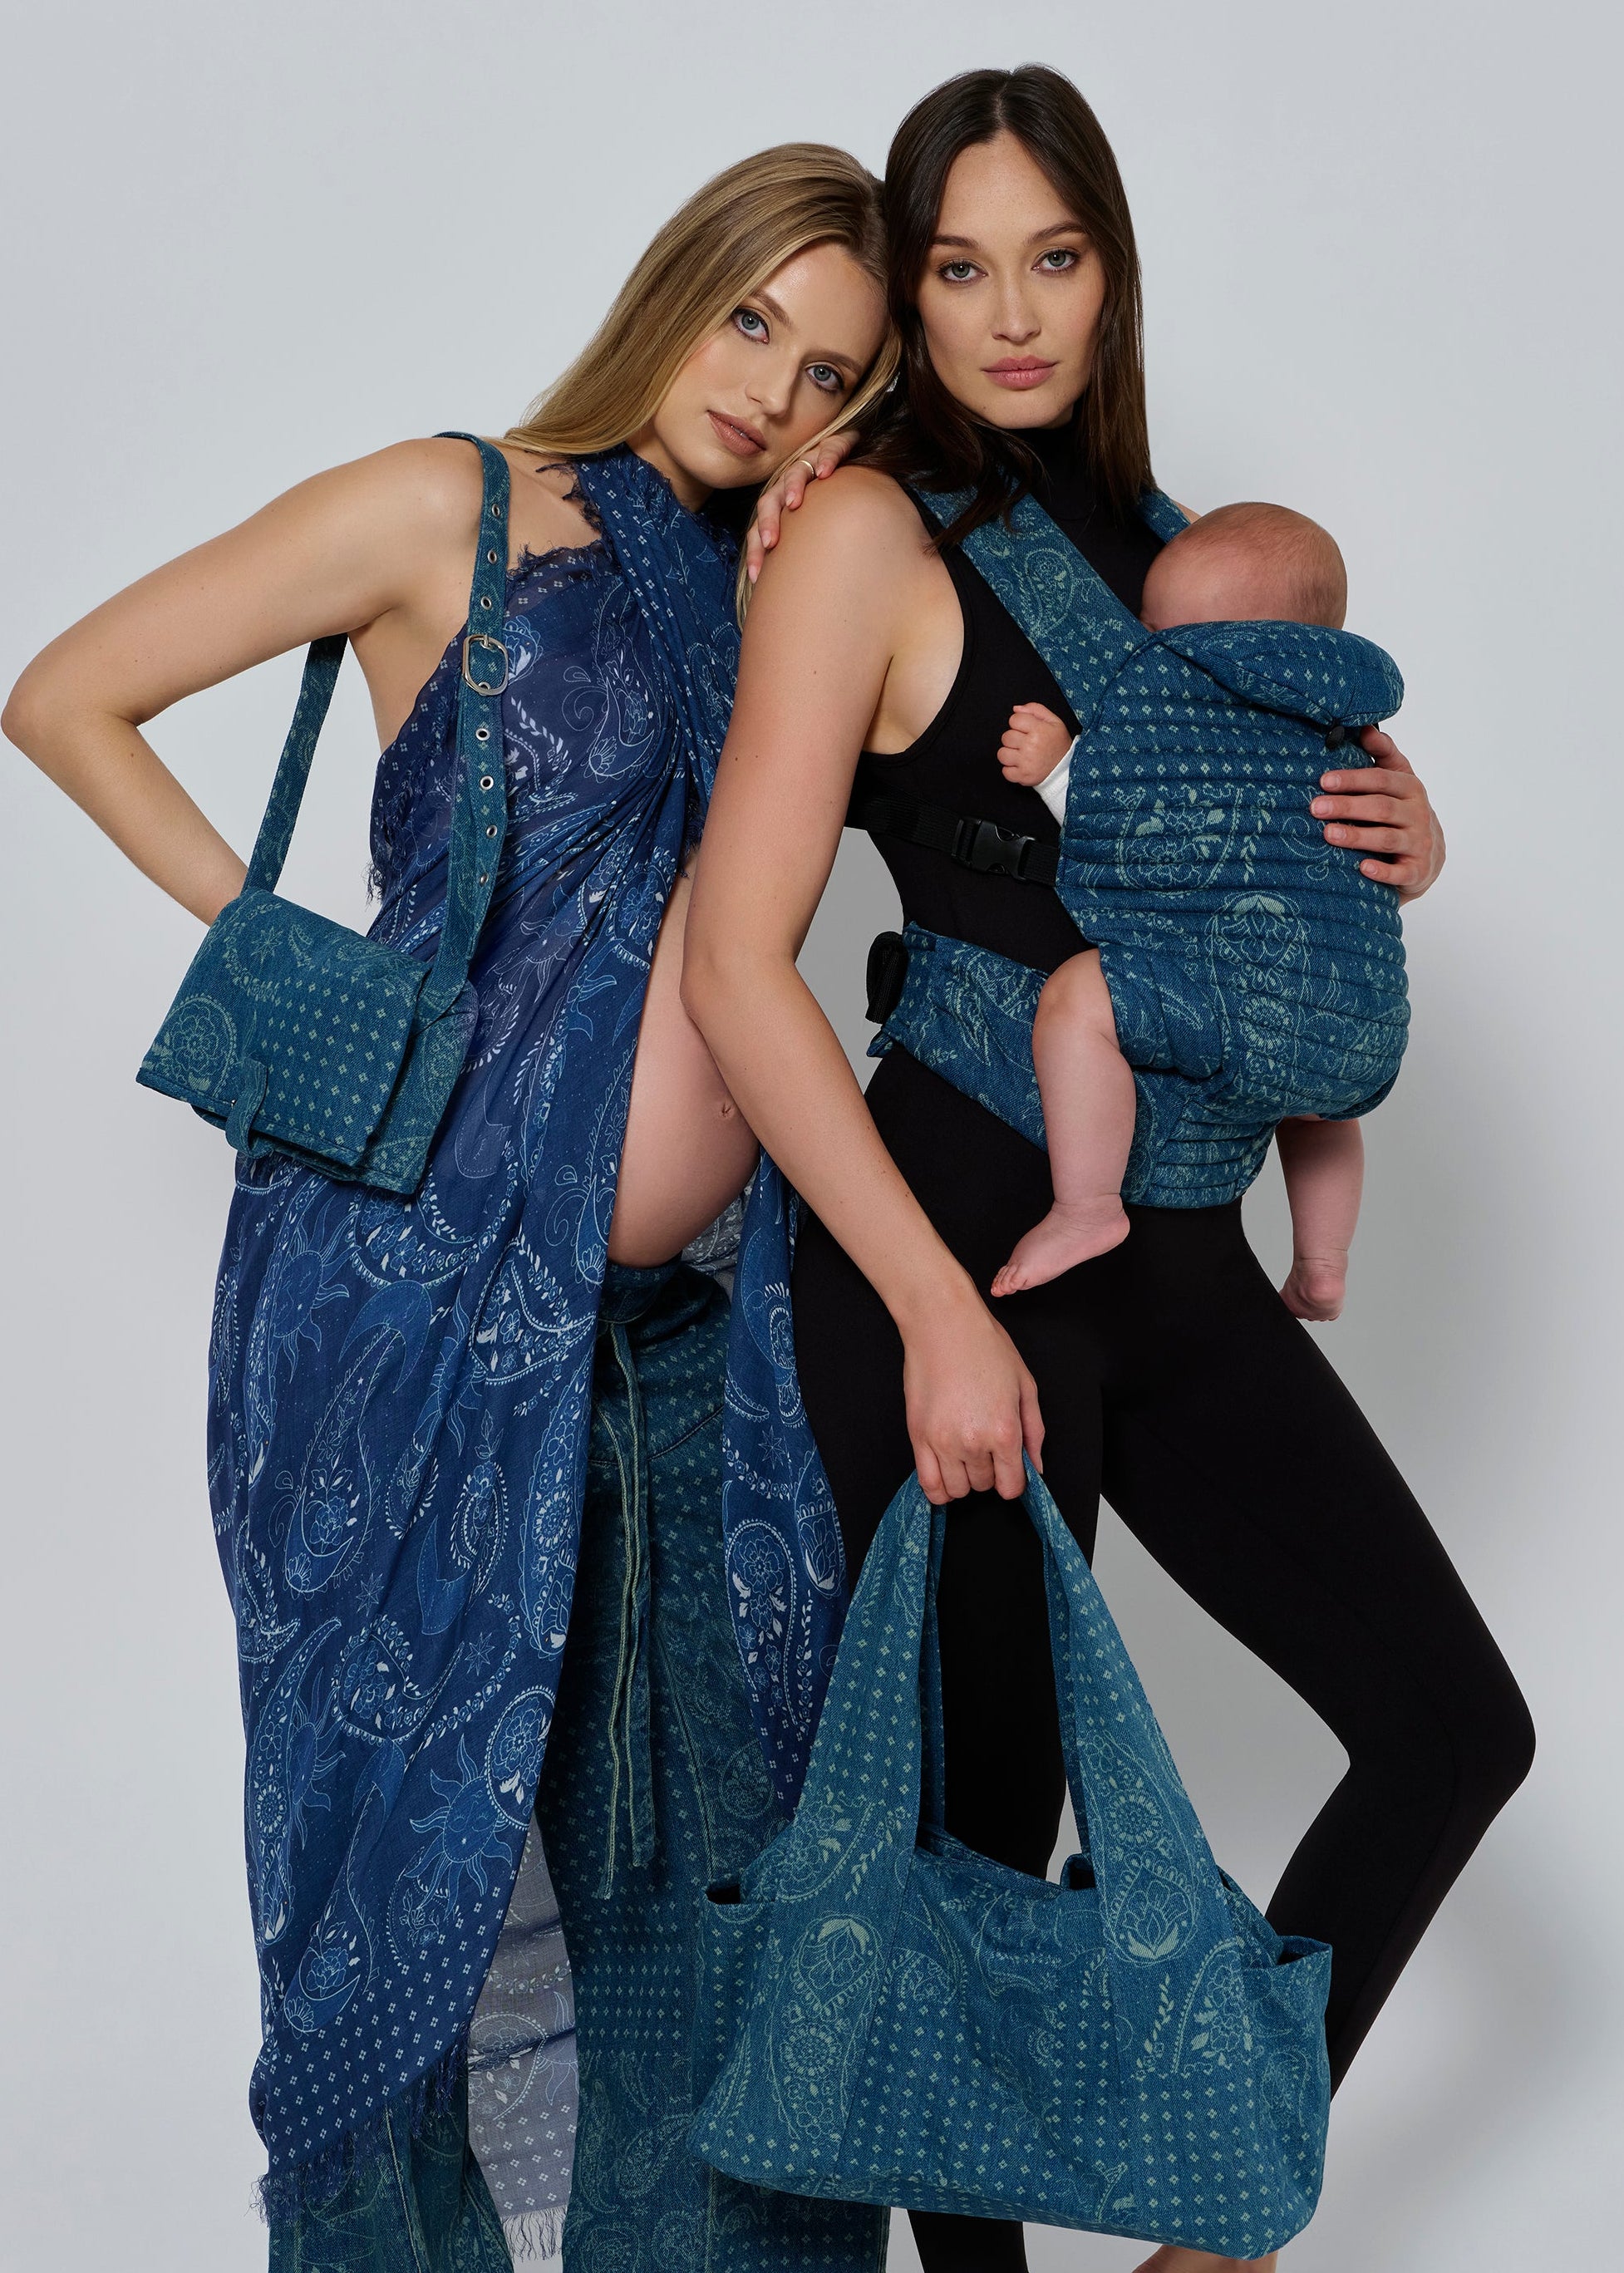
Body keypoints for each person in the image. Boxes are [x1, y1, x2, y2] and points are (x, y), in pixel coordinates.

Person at [3, 145, 893, 2272]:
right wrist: (300, 968)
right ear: (676, 289)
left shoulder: (782, 574)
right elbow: (63, 688)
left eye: (832, 371)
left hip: (696, 1335)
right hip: (403, 1311)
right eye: (752, 319)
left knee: (709, 1861)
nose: (772, 387)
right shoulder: (453, 506)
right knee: (408, 1851)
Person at [685, 66, 1534, 2273]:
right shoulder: (864, 531)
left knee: (1448, 1726)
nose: (1008, 313)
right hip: (951, 1230)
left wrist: (1393, 839)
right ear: (911, 285)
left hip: (1169, 1248)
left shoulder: (1188, 563)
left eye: (1050, 256)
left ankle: (1203, 2233)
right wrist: (946, 1310)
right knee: (980, 1843)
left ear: (1110, 268)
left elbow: (1258, 903)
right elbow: (736, 960)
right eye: (955, 266)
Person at [991, 501, 1375, 1313]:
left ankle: (1084, 1208)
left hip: (1226, 997)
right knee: (1317, 1107)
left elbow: (1145, 838)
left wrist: (1060, 768)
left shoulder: (1196, 722)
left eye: (1162, 631)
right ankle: (1324, 1257)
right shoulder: (1338, 728)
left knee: (1076, 1000)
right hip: (1350, 1012)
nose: (1142, 642)